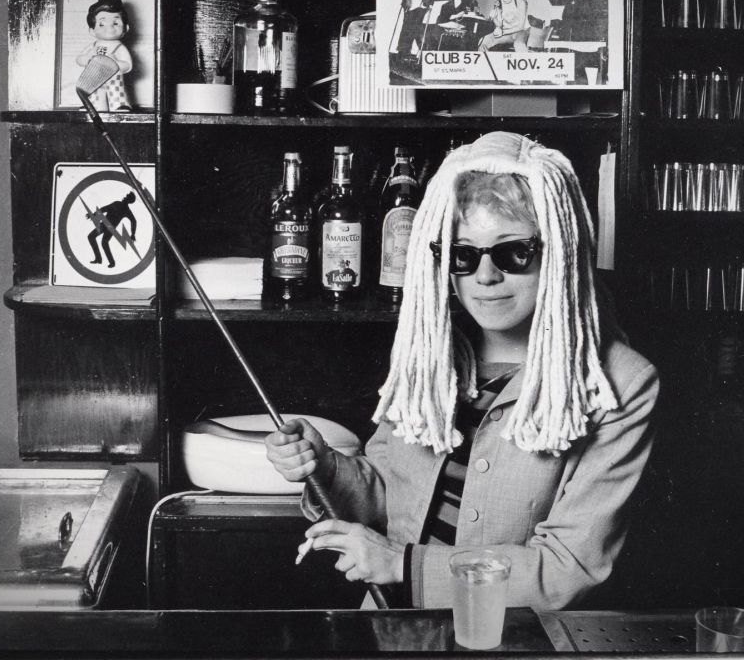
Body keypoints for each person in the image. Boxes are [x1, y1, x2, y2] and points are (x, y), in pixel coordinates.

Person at [265, 131, 658, 610]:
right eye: (463, 254)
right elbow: (391, 495)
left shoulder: (621, 384)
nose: (485, 277)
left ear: (560, 252)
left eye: (514, 252)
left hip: (518, 638)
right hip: (394, 629)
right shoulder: (428, 356)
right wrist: (324, 465)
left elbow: (569, 566)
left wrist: (403, 566)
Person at [77, 0, 133, 112]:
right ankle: (95, 106)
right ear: (92, 30)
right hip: (95, 76)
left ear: (126, 28)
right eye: (102, 24)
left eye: (116, 23)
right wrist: (87, 58)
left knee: (116, 90)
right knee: (94, 92)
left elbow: (128, 65)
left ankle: (119, 105)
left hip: (114, 78)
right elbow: (79, 59)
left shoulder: (119, 47)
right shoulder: (93, 46)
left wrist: (115, 63)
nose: (109, 27)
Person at [86, 191, 137, 268]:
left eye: (127, 196)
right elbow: (104, 209)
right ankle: (102, 260)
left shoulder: (122, 207)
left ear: (129, 200)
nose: (125, 196)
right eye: (126, 195)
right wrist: (93, 214)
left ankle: (105, 261)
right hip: (106, 226)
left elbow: (133, 221)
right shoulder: (120, 205)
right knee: (96, 239)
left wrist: (133, 234)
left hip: (108, 227)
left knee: (101, 241)